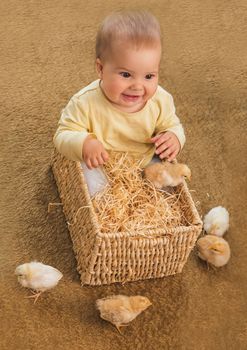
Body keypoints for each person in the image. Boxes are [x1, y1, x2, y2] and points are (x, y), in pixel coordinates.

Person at [53, 11, 185, 173]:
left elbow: (172, 124)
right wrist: (85, 143)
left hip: (145, 161)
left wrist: (174, 137)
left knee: (167, 182)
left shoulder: (160, 100)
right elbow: (63, 134)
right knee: (91, 182)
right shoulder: (84, 102)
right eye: (126, 75)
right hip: (100, 162)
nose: (137, 86)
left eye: (149, 76)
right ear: (101, 69)